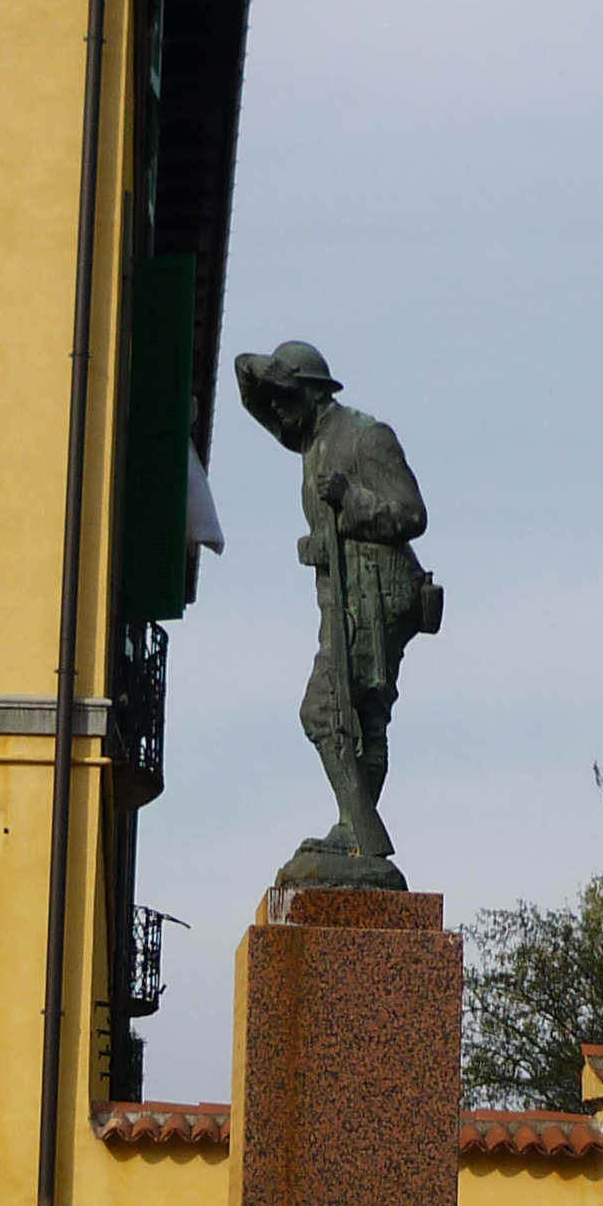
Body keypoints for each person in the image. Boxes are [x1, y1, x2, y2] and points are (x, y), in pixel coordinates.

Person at [233, 341, 437, 873]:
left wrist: (350, 498)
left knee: (339, 709)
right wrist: (266, 373)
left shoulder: (365, 437)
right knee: (347, 713)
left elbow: (413, 515)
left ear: (313, 392)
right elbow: (247, 389)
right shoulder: (310, 441)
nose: (277, 407)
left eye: (286, 395)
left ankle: (361, 835)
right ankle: (355, 829)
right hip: (344, 598)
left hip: (380, 595)